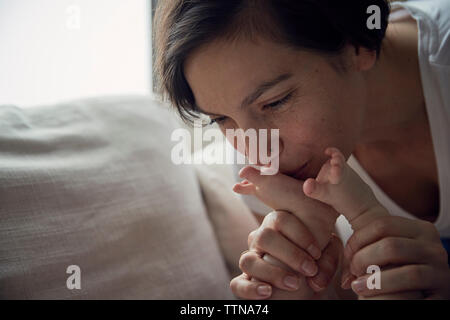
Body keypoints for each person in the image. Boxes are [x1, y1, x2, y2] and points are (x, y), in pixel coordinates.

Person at [153, 0, 450, 299]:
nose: (259, 154)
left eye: (275, 102)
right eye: (221, 119)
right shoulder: (255, 161)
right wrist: (293, 282)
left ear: (358, 44)